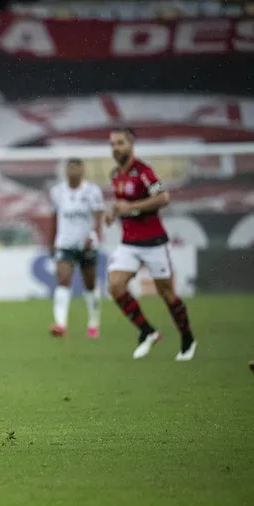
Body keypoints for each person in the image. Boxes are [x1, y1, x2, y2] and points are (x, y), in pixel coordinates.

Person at [105, 127, 197, 361]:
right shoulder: (115, 174)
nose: (116, 148)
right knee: (115, 286)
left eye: (120, 143)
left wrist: (133, 207)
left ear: (131, 144)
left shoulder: (143, 171)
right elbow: (123, 203)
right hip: (129, 244)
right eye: (113, 144)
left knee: (167, 295)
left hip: (153, 243)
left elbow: (163, 197)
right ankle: (148, 331)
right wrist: (114, 211)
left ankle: (187, 338)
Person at [48, 158, 105, 338]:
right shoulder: (57, 191)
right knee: (63, 280)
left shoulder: (92, 191)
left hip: (86, 244)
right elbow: (53, 217)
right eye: (70, 168)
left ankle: (93, 323)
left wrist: (94, 236)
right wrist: (51, 241)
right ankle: (61, 324)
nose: (73, 172)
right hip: (65, 243)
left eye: (77, 168)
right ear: (66, 171)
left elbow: (98, 217)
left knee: (90, 285)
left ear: (82, 171)